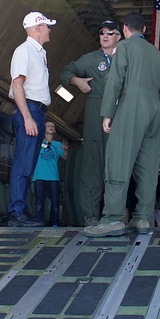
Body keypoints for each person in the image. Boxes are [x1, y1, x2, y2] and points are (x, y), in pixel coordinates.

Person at [84, 13, 160, 237]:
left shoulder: (123, 48)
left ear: (124, 30)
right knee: (148, 167)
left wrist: (108, 113)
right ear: (143, 29)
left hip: (130, 106)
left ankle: (112, 218)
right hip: (153, 110)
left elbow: (115, 80)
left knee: (118, 160)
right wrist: (152, 106)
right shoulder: (157, 54)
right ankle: (142, 218)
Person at [61, 20, 122, 225]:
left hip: (121, 113)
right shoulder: (91, 60)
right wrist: (76, 81)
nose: (105, 36)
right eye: (102, 33)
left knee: (118, 166)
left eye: (110, 33)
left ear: (119, 37)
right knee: (92, 166)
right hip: (96, 114)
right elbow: (66, 72)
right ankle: (91, 216)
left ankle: (116, 214)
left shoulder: (127, 58)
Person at [8, 11, 56, 227]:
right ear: (38, 27)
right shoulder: (25, 51)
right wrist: (27, 117)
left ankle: (21, 210)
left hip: (37, 111)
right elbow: (18, 84)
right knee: (23, 163)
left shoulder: (38, 52)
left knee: (28, 164)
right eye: (47, 26)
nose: (49, 30)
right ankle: (17, 212)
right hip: (30, 110)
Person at [32, 121, 65, 226]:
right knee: (39, 202)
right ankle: (39, 221)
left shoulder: (58, 144)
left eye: (52, 126)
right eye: (48, 126)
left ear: (54, 130)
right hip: (39, 176)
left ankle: (54, 222)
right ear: (44, 129)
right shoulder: (37, 143)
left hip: (53, 177)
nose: (50, 127)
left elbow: (65, 157)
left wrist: (66, 150)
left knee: (55, 202)